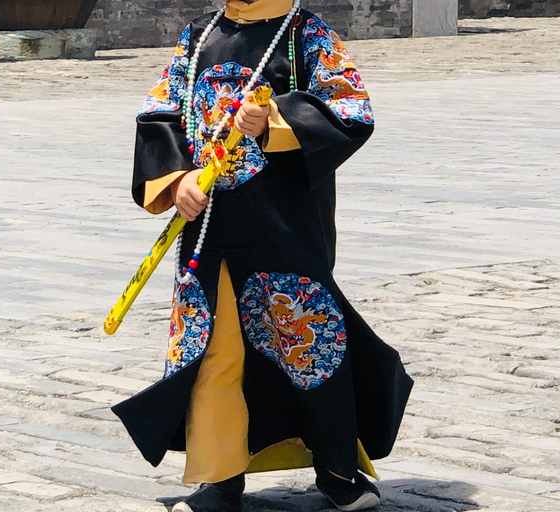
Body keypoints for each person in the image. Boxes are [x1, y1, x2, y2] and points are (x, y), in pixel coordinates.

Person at [111, 1, 414, 510]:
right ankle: (220, 479)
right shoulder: (198, 36)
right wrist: (178, 179)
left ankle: (339, 469)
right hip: (208, 230)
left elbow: (350, 107)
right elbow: (159, 112)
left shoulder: (306, 35)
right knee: (212, 351)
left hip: (284, 227)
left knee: (310, 346)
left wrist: (275, 119)